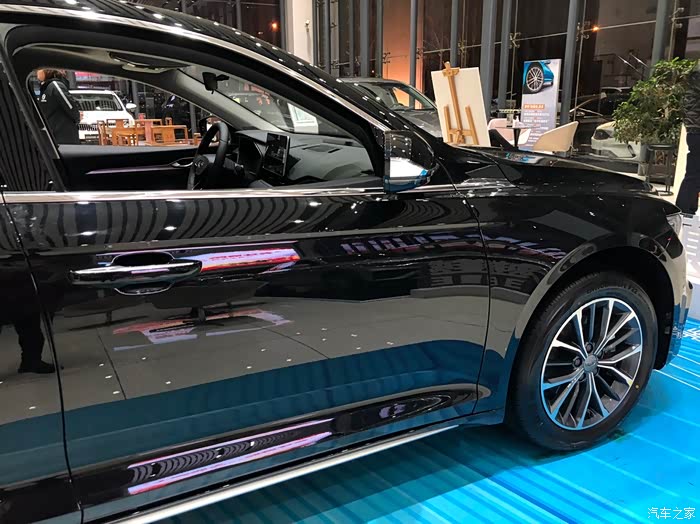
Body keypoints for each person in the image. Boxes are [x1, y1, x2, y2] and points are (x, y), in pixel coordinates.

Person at [676, 64, 700, 214]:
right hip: (698, 131)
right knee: (694, 175)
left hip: (694, 131)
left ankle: (688, 210)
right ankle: (684, 211)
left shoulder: (694, 77)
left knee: (694, 175)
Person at [37, 69, 80, 145]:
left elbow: (69, 105)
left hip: (64, 136)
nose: (37, 72)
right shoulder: (46, 87)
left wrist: (77, 117)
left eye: (40, 69)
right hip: (54, 135)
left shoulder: (55, 85)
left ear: (47, 71)